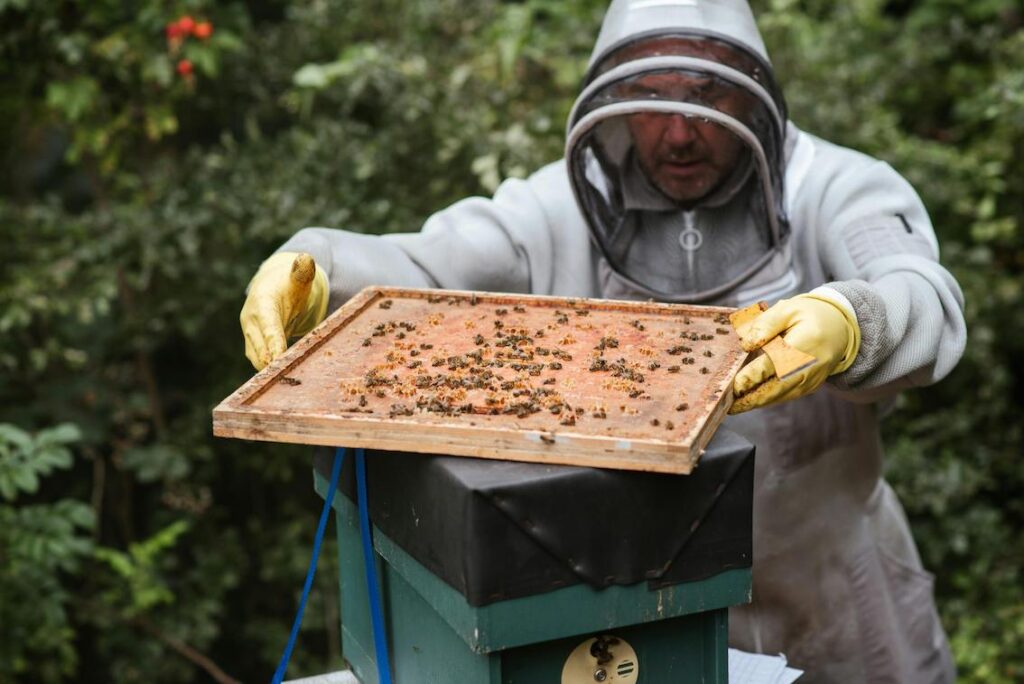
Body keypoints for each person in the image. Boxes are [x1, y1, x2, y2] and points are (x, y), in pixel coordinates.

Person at [239, 1, 966, 681]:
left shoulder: (836, 188)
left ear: (755, 94)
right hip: (637, 624)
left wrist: (854, 322)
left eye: (707, 99)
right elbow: (435, 263)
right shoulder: (559, 208)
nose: (679, 133)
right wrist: (320, 268)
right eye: (653, 99)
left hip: (835, 604)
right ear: (615, 101)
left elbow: (922, 293)